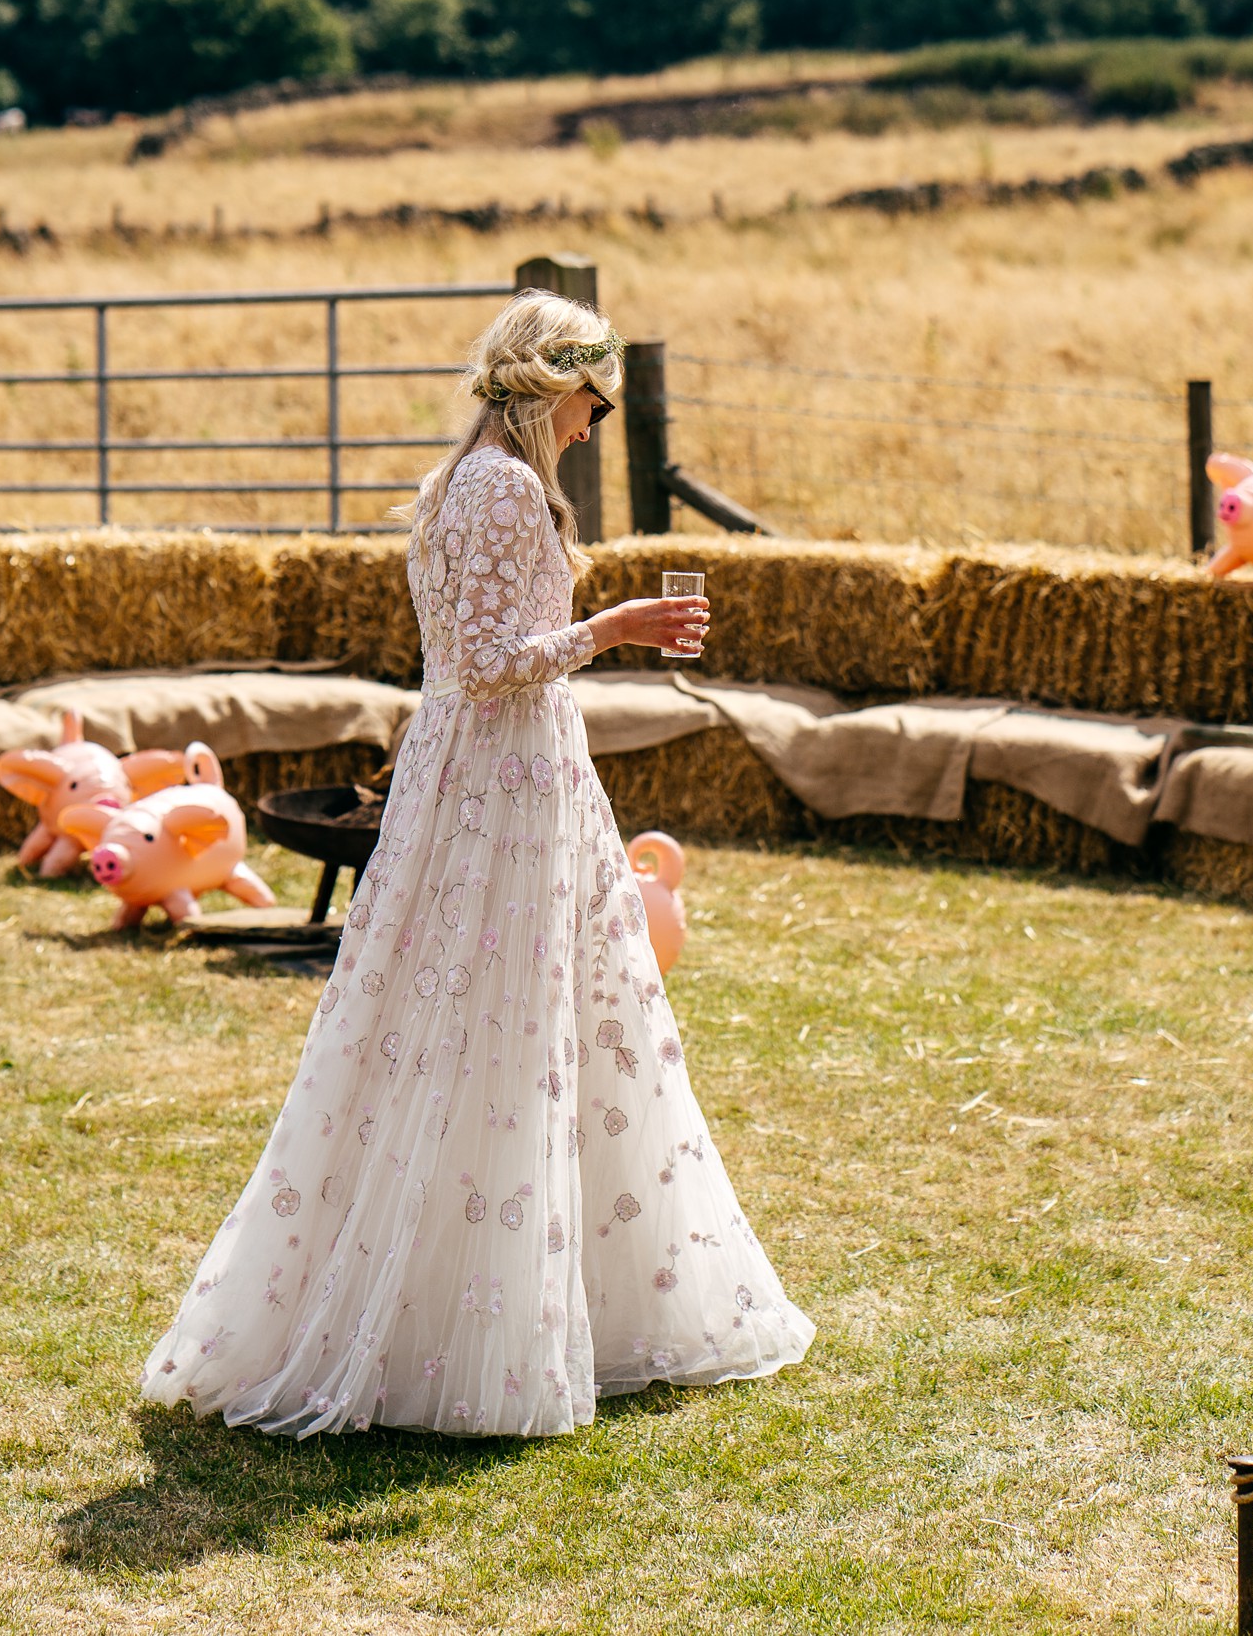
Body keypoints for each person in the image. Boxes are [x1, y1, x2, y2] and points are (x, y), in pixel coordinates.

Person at [140, 289, 814, 1436]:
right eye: (594, 394)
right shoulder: (502, 486)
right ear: (559, 385)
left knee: (511, 1020)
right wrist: (614, 629)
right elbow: (493, 664)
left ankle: (543, 1300)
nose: (599, 419)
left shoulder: (460, 480)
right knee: (500, 1023)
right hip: (502, 777)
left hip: (485, 767)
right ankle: (467, 1327)